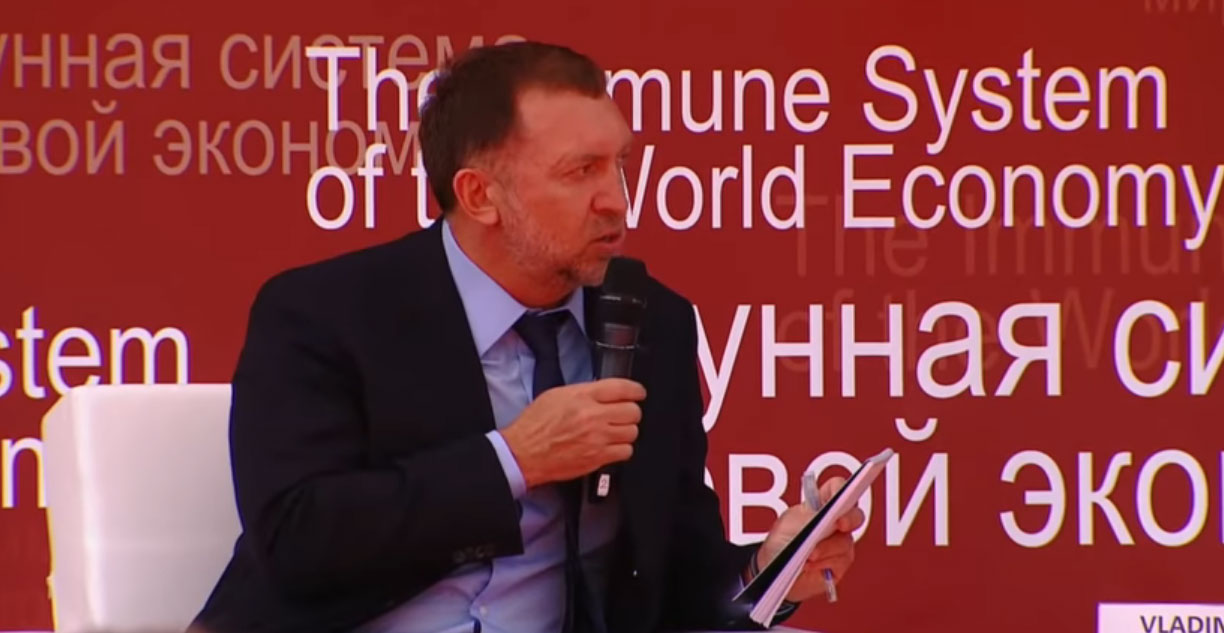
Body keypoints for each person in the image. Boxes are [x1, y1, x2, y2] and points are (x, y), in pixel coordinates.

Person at [192, 41, 863, 633]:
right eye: (581, 171)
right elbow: (298, 538)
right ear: (480, 195)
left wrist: (768, 569)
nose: (617, 199)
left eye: (620, 164)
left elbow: (671, 573)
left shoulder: (652, 322)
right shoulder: (326, 312)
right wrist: (516, 459)